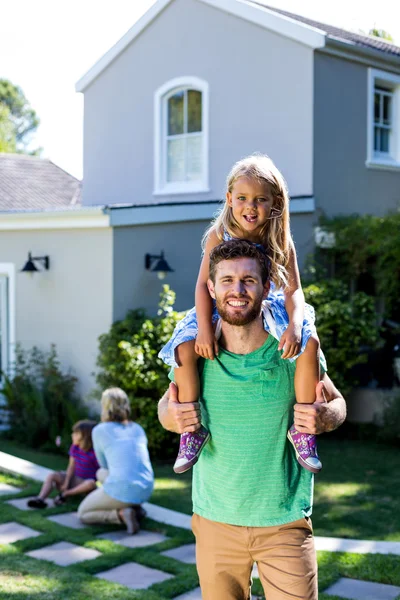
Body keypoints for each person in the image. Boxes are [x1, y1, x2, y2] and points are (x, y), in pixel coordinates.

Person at [158, 239, 346, 600]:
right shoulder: (198, 354)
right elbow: (167, 410)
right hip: (215, 522)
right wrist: (174, 415)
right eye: (227, 280)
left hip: (285, 523)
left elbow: (336, 404)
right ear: (211, 288)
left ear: (266, 287)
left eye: (248, 280)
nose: (237, 290)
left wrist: (324, 417)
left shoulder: (292, 348)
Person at [159, 154, 321, 475]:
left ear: (275, 203)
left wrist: (296, 325)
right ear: (230, 199)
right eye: (243, 198)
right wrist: (204, 329)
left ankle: (302, 429)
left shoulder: (279, 241)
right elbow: (203, 286)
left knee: (309, 344)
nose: (251, 206)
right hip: (219, 304)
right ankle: (192, 431)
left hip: (266, 303)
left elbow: (294, 292)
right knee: (184, 348)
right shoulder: (220, 235)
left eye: (261, 199)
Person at [77, 387, 154, 534]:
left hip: (122, 488)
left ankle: (120, 514)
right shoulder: (137, 428)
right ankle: (135, 508)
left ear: (105, 407)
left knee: (83, 513)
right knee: (106, 474)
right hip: (146, 489)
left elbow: (104, 466)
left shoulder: (100, 430)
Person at [27, 420, 99, 509]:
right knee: (52, 475)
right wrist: (66, 483)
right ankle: (40, 499)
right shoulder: (75, 448)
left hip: (85, 484)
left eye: (76, 434)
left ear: (85, 437)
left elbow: (98, 473)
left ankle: (65, 494)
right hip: (74, 479)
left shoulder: (94, 453)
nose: (72, 435)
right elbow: (71, 466)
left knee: (91, 483)